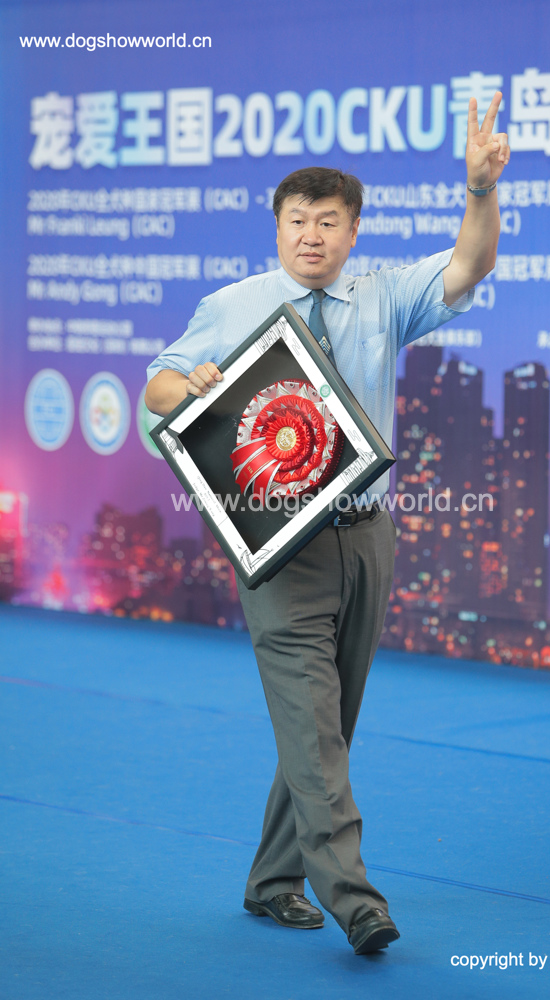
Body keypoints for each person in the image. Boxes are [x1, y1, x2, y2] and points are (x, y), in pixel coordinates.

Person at [146, 94, 509, 955]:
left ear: (352, 232)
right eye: (297, 220)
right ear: (277, 227)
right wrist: (188, 386)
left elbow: (469, 264)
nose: (311, 235)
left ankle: (273, 882)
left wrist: (479, 188)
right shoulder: (232, 304)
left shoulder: (383, 297)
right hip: (278, 543)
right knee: (313, 722)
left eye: (329, 222)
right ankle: (354, 900)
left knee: (327, 721)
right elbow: (157, 387)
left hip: (366, 532)